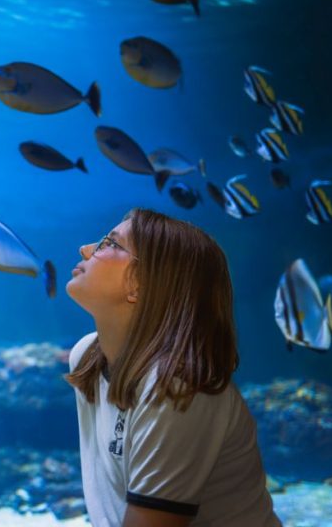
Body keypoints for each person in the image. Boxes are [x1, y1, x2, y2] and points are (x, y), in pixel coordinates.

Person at [64, 208, 281, 527]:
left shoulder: (177, 388)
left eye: (109, 243)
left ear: (140, 283)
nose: (85, 248)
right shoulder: (87, 357)